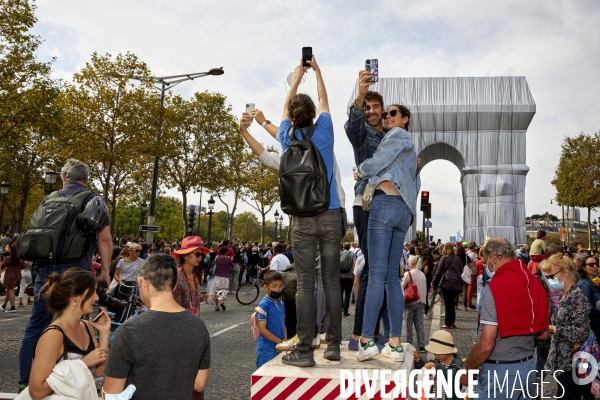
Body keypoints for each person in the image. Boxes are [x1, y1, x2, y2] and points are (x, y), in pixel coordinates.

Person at [18, 159, 112, 390]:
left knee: (36, 325)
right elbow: (105, 238)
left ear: (64, 178)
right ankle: (77, 378)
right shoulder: (92, 199)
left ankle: (25, 381)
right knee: (75, 325)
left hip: (45, 272)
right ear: (86, 179)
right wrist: (106, 272)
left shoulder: (48, 199)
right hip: (76, 270)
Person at [277, 56, 345, 367]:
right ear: (314, 115)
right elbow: (324, 99)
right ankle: (333, 346)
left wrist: (296, 78)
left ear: (292, 117)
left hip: (300, 218)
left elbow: (287, 108)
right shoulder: (326, 131)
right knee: (330, 279)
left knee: (304, 283)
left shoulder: (285, 136)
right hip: (330, 213)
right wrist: (317, 70)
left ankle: (304, 350)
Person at [354, 102, 420, 363]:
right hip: (403, 210)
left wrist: (360, 171)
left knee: (377, 274)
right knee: (392, 277)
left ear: (405, 119)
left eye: (393, 113)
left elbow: (378, 162)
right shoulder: (411, 149)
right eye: (386, 114)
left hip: (385, 204)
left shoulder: (397, 136)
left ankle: (367, 339)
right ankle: (394, 342)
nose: (387, 116)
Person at [103, 254, 210, 400]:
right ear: (173, 285)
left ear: (144, 283)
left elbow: (111, 393)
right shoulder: (199, 326)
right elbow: (199, 384)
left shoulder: (129, 331)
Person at [460, 239, 549, 398]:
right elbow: (543, 333)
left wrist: (467, 367)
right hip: (528, 367)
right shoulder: (533, 282)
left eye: (486, 261)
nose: (487, 266)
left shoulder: (495, 287)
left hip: (501, 372)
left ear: (493, 257)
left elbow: (487, 344)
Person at [27, 268, 111, 400]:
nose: (97, 297)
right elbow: (36, 392)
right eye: (93, 292)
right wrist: (82, 364)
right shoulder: (53, 335)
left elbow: (98, 371)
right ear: (75, 296)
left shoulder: (86, 326)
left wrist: (104, 333)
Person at [541, 253, 593, 399]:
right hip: (564, 362)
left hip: (573, 363)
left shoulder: (577, 296)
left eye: (551, 276)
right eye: (547, 276)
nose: (549, 280)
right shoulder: (564, 294)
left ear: (565, 272)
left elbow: (582, 331)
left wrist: (554, 329)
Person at [413, 330, 463, 400]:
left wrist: (437, 366)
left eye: (438, 353)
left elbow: (452, 375)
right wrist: (419, 362)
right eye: (434, 353)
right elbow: (427, 369)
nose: (435, 356)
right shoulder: (438, 361)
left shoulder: (457, 364)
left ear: (448, 351)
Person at [173, 236, 211, 317]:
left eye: (202, 254)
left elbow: (188, 300)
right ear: (185, 256)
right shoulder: (177, 278)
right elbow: (175, 309)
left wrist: (200, 298)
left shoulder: (194, 275)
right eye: (197, 254)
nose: (200, 257)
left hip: (194, 323)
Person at [256, 271, 286, 369]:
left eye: (280, 286)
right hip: (267, 348)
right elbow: (262, 329)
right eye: (274, 286)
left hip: (279, 346)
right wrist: (279, 342)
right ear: (266, 287)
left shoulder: (281, 303)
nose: (278, 289)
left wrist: (284, 342)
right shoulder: (264, 304)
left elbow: (283, 324)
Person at [431, 243, 463, 329]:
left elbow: (438, 271)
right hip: (456, 283)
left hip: (446, 282)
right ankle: (452, 321)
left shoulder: (443, 258)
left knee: (448, 304)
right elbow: (461, 270)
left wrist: (433, 281)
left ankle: (448, 323)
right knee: (451, 303)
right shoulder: (457, 258)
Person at [402, 255, 427, 352]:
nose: (407, 264)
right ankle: (421, 345)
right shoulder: (422, 274)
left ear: (412, 264)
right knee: (419, 323)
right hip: (421, 301)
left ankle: (409, 344)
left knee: (408, 323)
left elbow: (402, 286)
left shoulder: (408, 274)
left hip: (411, 301)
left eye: (408, 263)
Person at [1, 239, 24, 312]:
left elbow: (2, 266)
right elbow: (23, 265)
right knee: (9, 290)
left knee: (10, 290)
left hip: (10, 274)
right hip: (17, 274)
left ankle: (12, 307)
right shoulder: (19, 258)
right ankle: (4, 305)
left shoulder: (8, 258)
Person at [212, 247, 234, 311]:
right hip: (225, 277)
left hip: (217, 277)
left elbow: (212, 264)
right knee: (224, 291)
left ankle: (216, 306)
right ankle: (222, 302)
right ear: (226, 252)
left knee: (216, 292)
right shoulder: (228, 259)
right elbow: (232, 266)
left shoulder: (217, 258)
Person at [340, 242, 356, 317]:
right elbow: (354, 264)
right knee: (347, 295)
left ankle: (340, 309)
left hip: (340, 277)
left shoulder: (340, 254)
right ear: (349, 247)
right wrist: (352, 274)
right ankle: (345, 311)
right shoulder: (352, 254)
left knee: (340, 293)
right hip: (349, 277)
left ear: (343, 247)